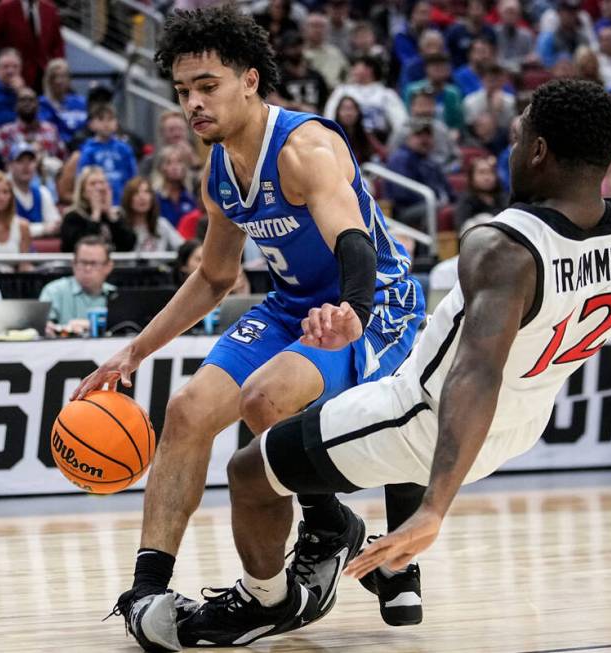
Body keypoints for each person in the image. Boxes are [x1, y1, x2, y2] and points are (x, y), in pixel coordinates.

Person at [172, 79, 611, 648]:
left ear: (540, 152)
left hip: (424, 416)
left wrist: (434, 507)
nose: (512, 148)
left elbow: (474, 373)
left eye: (519, 139)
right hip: (520, 425)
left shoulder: (502, 242)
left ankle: (267, 600)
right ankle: (351, 544)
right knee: (309, 414)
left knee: (250, 473)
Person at [70, 8, 425, 650]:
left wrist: (351, 312)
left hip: (373, 305)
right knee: (186, 410)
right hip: (293, 304)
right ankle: (149, 586)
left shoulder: (305, 148)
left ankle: (323, 526)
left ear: (251, 80)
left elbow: (355, 241)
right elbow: (212, 279)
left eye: (207, 85)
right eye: (183, 91)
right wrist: (134, 352)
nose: (193, 103)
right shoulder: (219, 171)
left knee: (265, 398)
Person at [0, 0, 64, 91]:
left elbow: (57, 44)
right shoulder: (6, 7)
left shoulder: (50, 9)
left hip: (43, 74)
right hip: (13, 74)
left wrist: (59, 66)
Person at [39, 235, 115, 336]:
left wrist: (91, 325)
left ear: (108, 267)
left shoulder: (116, 295)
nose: (88, 268)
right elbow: (42, 326)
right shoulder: (53, 291)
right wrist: (59, 329)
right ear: (73, 264)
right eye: (83, 262)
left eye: (94, 263)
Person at [385, 118, 454, 229]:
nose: (424, 140)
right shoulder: (400, 158)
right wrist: (433, 201)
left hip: (432, 204)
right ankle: (427, 247)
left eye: (428, 135)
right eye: (419, 135)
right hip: (405, 211)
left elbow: (448, 190)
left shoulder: (431, 160)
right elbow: (401, 194)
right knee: (434, 210)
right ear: (408, 138)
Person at [59, 166, 136, 253]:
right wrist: (96, 214)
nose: (100, 188)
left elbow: (129, 245)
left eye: (102, 183)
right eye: (93, 184)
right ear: (83, 192)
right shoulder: (72, 216)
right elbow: (81, 247)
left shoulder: (118, 214)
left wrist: (111, 215)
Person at [76, 104, 137, 205]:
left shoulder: (124, 149)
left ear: (116, 123)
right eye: (101, 119)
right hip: (96, 203)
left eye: (110, 119)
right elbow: (82, 178)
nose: (106, 123)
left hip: (123, 202)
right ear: (91, 124)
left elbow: (132, 176)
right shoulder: (88, 150)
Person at [0, 87, 65, 164]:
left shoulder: (51, 130)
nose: (27, 103)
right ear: (15, 106)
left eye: (31, 100)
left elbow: (62, 158)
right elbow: (3, 163)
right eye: (23, 100)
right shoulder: (6, 132)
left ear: (38, 106)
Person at [8, 143, 60, 237]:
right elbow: (8, 229)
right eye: (20, 161)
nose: (26, 166)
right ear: (10, 165)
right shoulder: (4, 194)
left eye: (30, 161)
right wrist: (43, 229)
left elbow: (55, 225)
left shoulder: (43, 192)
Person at [123, 176, 184, 253]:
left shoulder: (162, 224)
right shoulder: (121, 226)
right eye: (136, 193)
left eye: (146, 192)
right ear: (128, 198)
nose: (142, 197)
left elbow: (183, 248)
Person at [38, 58, 88, 145]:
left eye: (63, 76)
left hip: (83, 149)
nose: (58, 81)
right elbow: (47, 133)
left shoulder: (81, 102)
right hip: (58, 149)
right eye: (54, 77)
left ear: (69, 79)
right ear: (48, 80)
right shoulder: (43, 104)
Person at [453, 155, 508, 231]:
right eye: (481, 172)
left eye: (490, 172)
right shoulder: (466, 201)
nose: (487, 177)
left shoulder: (503, 198)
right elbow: (462, 228)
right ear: (471, 177)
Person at [333, 96, 387, 165]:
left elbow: (383, 154)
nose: (348, 113)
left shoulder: (365, 135)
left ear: (358, 112)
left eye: (351, 109)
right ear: (338, 112)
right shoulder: (332, 135)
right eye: (344, 109)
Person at [153, 145, 197, 227]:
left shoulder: (191, 196)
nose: (175, 167)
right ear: (161, 168)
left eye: (179, 162)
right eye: (169, 163)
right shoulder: (155, 198)